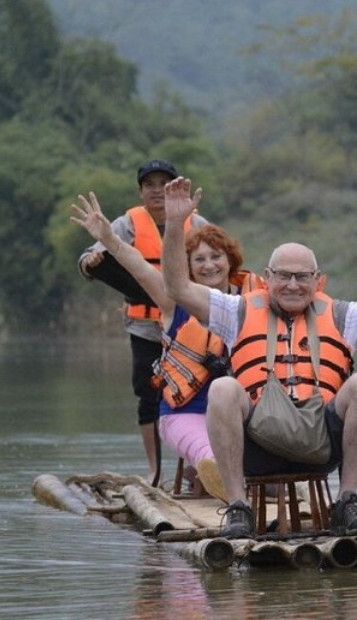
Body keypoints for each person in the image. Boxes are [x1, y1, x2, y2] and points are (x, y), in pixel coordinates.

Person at [160, 176, 357, 539]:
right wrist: (175, 226)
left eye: (302, 277)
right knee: (223, 388)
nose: (292, 285)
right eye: (283, 276)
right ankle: (238, 507)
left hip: (322, 442)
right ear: (266, 278)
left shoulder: (344, 316)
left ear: (319, 282)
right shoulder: (234, 312)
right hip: (256, 444)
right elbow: (177, 285)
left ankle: (347, 502)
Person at [71, 191, 258, 499]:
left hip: (238, 412)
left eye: (216, 257)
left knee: (274, 443)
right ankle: (216, 475)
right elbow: (140, 269)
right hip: (185, 413)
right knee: (210, 454)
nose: (209, 265)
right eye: (199, 259)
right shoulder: (173, 302)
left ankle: (230, 477)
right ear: (187, 268)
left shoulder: (253, 304)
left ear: (231, 261)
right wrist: (110, 239)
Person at [77, 160, 209, 486]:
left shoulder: (196, 222)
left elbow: (217, 259)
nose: (156, 191)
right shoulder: (127, 224)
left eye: (164, 183)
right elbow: (88, 259)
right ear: (140, 191)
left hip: (188, 327)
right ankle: (156, 470)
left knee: (195, 391)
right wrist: (92, 261)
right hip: (145, 327)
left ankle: (196, 468)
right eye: (149, 184)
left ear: (174, 188)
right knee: (148, 394)